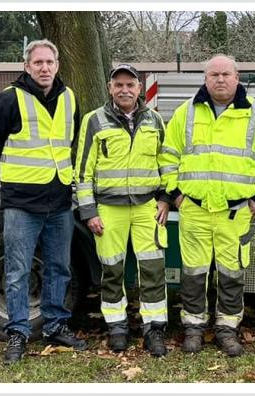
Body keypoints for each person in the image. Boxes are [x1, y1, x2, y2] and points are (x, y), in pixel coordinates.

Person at [158, 54, 255, 357]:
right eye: (213, 74)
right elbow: (168, 156)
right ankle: (194, 328)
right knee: (193, 273)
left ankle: (227, 329)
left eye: (226, 74)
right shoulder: (185, 113)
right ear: (205, 78)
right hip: (195, 210)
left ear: (237, 77)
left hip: (235, 212)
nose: (220, 79)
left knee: (231, 273)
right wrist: (176, 195)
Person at [0, 39, 86, 365]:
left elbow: (73, 142)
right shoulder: (8, 100)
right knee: (17, 272)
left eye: (49, 63)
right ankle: (18, 333)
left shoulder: (69, 99)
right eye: (37, 63)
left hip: (59, 202)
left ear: (57, 66)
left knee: (59, 268)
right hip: (22, 204)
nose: (44, 68)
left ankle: (55, 325)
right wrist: (13, 180)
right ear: (27, 66)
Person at [74, 64, 170, 357]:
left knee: (153, 270)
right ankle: (117, 327)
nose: (125, 90)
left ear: (140, 89)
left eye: (130, 84)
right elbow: (82, 172)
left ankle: (154, 329)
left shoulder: (155, 120)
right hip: (109, 209)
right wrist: (89, 211)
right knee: (112, 270)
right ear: (109, 88)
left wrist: (165, 198)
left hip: (147, 208)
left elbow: (166, 162)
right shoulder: (94, 121)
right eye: (119, 85)